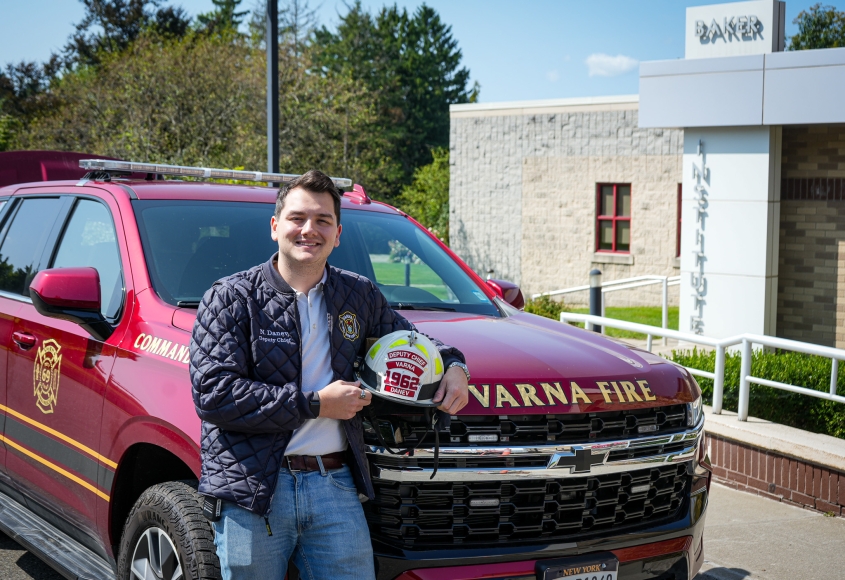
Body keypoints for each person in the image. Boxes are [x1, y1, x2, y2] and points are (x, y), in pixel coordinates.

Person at [189, 170, 469, 580]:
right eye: (298, 218)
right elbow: (214, 394)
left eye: (322, 221)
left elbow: (408, 339)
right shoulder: (231, 297)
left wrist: (454, 365)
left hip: (334, 484)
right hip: (252, 490)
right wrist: (316, 403)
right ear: (275, 227)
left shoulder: (358, 295)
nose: (309, 230)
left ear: (338, 233)